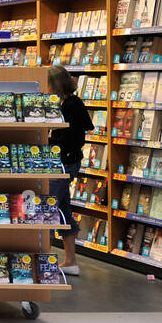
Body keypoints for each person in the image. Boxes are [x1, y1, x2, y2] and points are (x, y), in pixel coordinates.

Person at [48, 63, 94, 276]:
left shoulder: (71, 105)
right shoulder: (66, 102)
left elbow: (74, 135)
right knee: (62, 209)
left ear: (55, 83)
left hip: (64, 163)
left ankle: (37, 260)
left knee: (46, 210)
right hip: (64, 161)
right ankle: (71, 261)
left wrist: (50, 139)